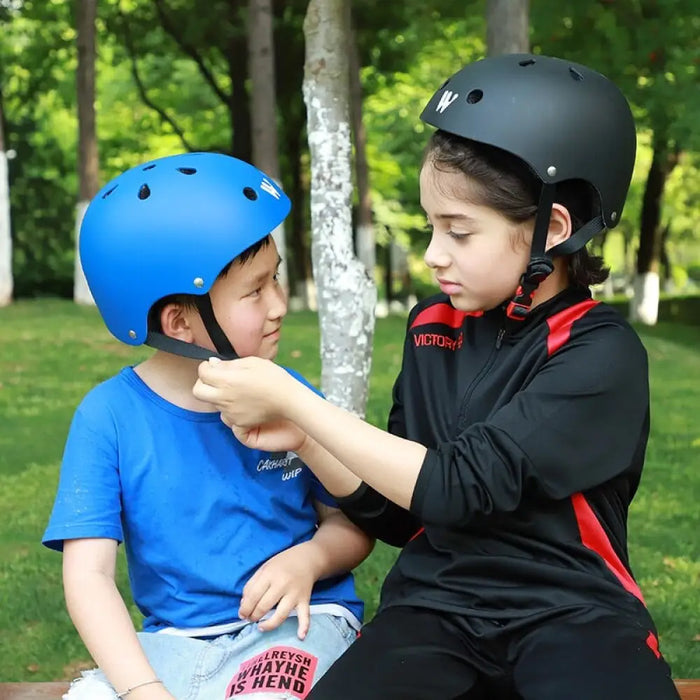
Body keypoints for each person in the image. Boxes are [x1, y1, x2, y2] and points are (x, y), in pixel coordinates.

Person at [192, 54, 682, 700]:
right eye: (431, 226)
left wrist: (298, 402)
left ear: (551, 229)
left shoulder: (601, 353)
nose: (433, 254)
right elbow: (401, 514)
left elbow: (458, 486)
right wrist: (305, 438)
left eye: (459, 231)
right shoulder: (433, 325)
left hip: (574, 612)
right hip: (434, 610)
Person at [43, 152, 373, 700]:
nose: (278, 304)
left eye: (276, 280)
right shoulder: (108, 418)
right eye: (255, 290)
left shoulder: (286, 393)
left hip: (292, 627)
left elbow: (354, 522)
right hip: (174, 644)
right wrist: (142, 689)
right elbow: (89, 577)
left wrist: (311, 559)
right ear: (179, 323)